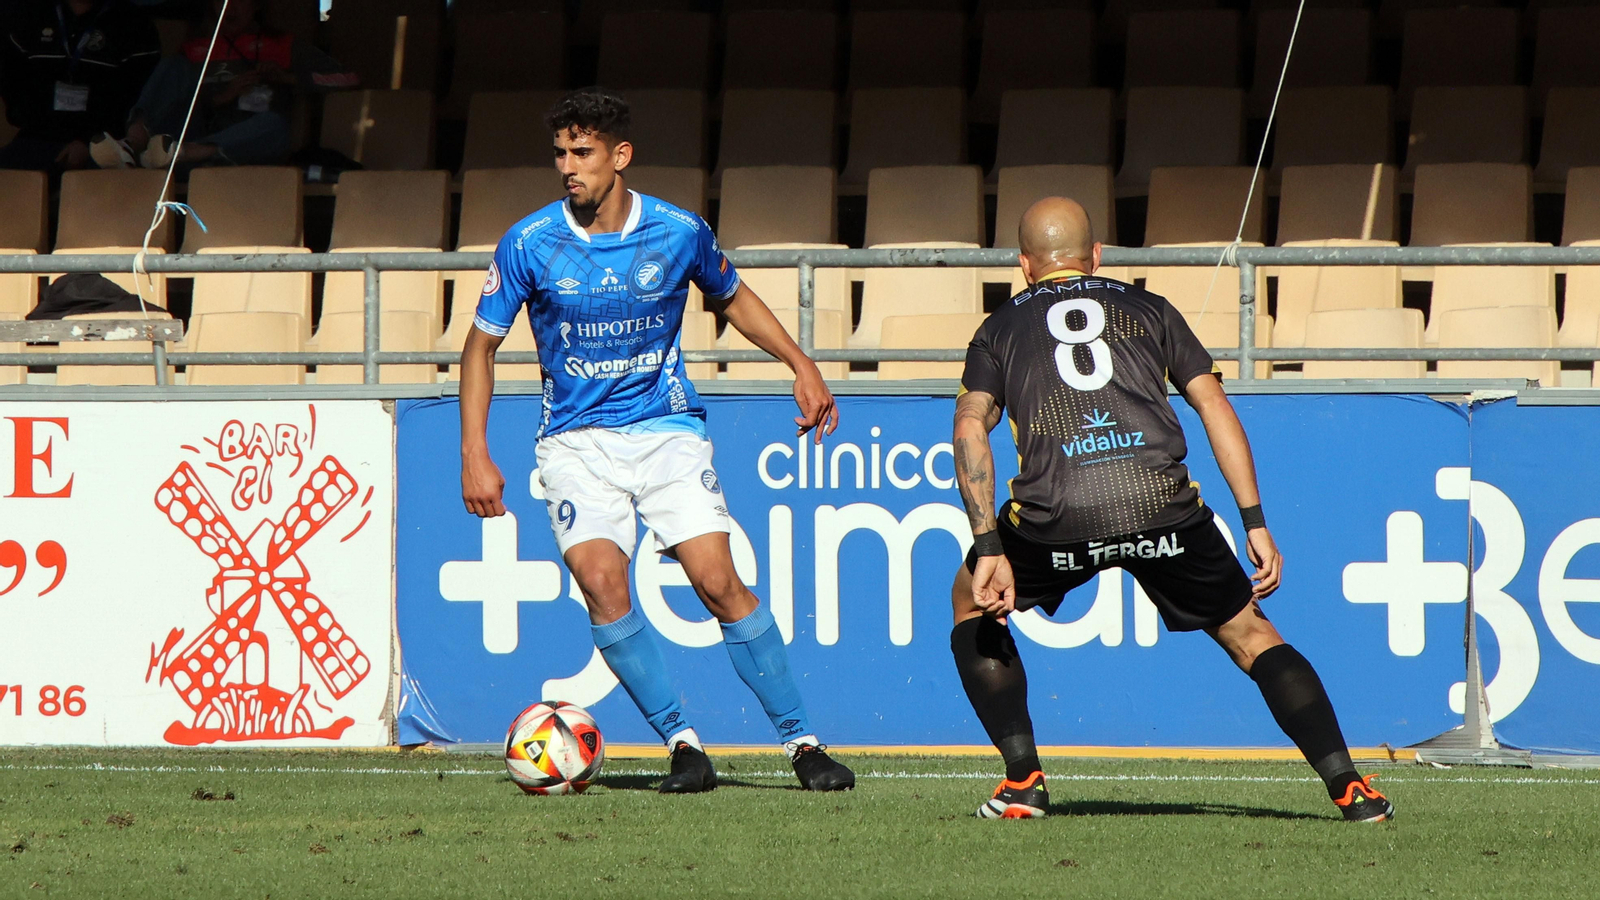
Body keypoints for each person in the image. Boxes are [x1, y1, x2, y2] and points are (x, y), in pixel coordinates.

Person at [458, 88, 855, 794]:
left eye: (581, 153)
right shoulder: (530, 242)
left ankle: (803, 743)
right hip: (575, 443)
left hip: (666, 431)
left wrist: (800, 363)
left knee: (716, 581)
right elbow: (480, 348)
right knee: (603, 585)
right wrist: (475, 452)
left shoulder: (677, 231)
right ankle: (683, 745)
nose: (567, 168)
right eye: (560, 153)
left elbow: (731, 296)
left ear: (620, 156)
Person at [948, 197, 1394, 823]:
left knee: (969, 599)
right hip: (1162, 505)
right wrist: (1255, 522)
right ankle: (1350, 788)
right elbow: (1213, 406)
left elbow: (970, 426)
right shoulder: (1148, 308)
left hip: (1057, 516)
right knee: (1252, 634)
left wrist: (989, 543)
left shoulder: (998, 329)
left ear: (1024, 265)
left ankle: (1023, 781)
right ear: (1097, 256)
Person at [90, 0, 356, 169]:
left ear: (257, 5)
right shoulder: (194, 50)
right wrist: (222, 98)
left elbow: (348, 79)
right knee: (172, 66)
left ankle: (187, 153)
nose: (229, 7)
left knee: (275, 126)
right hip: (183, 137)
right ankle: (133, 143)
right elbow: (181, 105)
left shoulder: (283, 45)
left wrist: (288, 78)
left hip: (251, 142)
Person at [0, 0, 160, 171]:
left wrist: (89, 141)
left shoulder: (135, 23)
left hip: (107, 144)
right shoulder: (28, 16)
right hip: (38, 138)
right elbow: (13, 85)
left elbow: (134, 97)